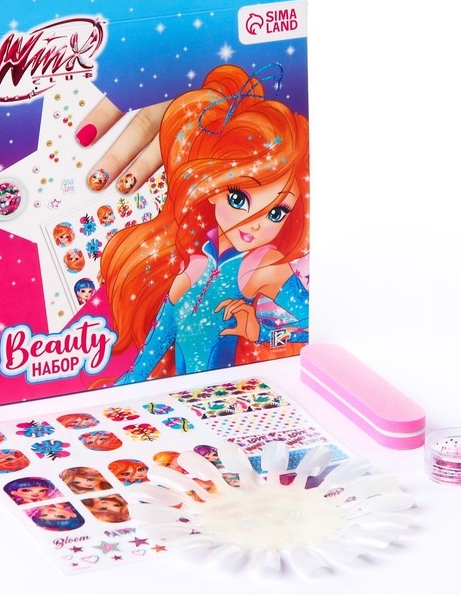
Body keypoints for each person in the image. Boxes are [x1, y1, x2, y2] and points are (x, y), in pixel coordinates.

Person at [96, 64, 310, 382]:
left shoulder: (262, 265)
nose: (254, 224)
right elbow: (143, 364)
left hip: (227, 398)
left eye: (276, 213)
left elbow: (314, 325)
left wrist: (261, 333)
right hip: (184, 401)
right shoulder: (195, 266)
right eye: (238, 199)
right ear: (212, 191)